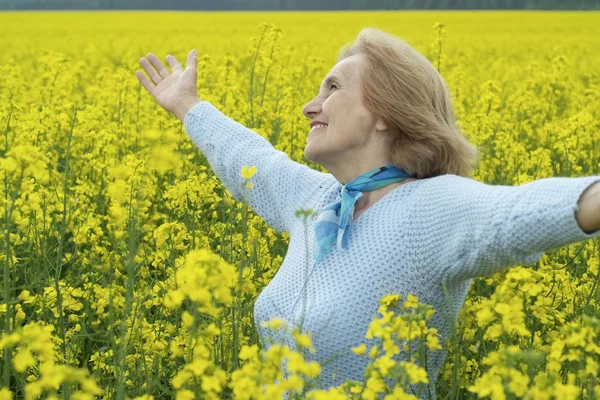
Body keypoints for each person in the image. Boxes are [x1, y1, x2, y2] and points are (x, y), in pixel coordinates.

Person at [136, 28, 600, 399]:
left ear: (384, 112)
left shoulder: (433, 207)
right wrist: (185, 104)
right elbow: (249, 159)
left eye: (332, 88)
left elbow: (519, 213)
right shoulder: (318, 201)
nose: (308, 106)